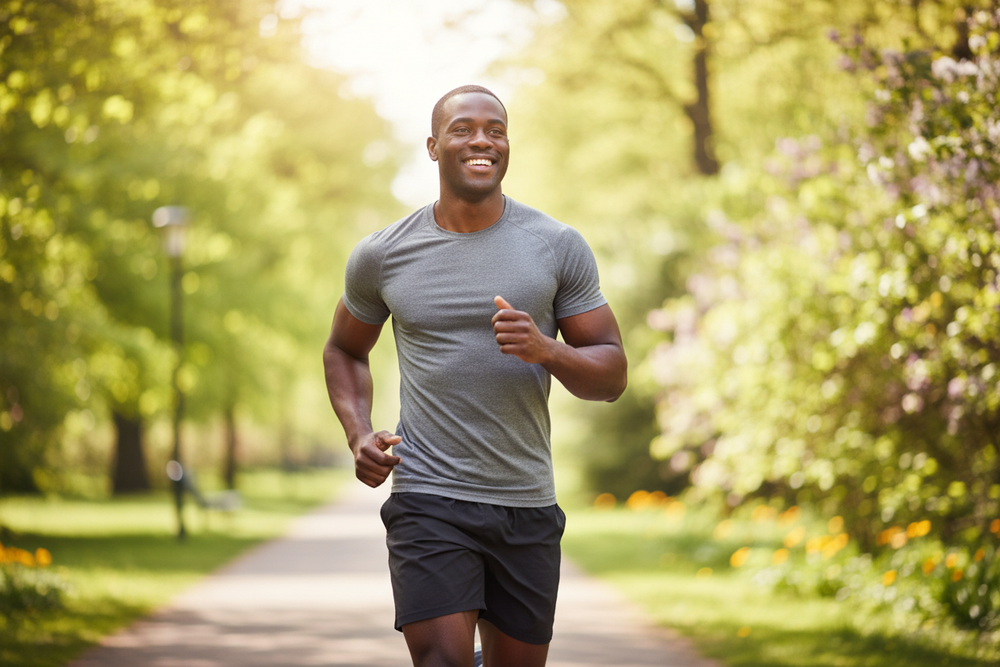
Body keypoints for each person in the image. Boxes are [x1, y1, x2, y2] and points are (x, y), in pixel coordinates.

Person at [322, 84, 627, 667]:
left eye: (495, 129)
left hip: (525, 501)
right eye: (463, 129)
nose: (482, 139)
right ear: (434, 147)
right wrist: (358, 432)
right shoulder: (383, 254)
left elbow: (611, 374)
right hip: (428, 497)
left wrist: (549, 352)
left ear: (508, 146)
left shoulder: (556, 246)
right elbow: (343, 348)